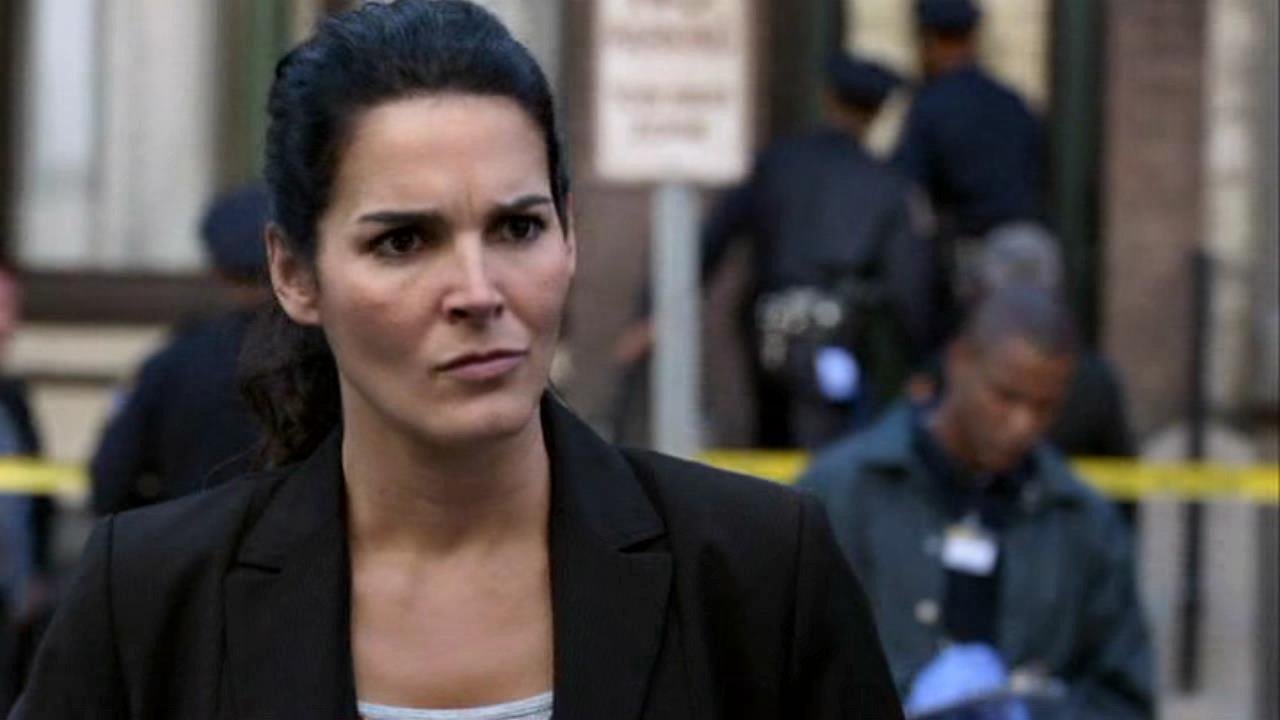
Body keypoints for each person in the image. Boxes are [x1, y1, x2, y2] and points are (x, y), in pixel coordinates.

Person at [11, 3, 902, 718]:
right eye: (403, 241)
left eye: (517, 227)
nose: (478, 291)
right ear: (295, 274)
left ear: (570, 235)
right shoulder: (153, 598)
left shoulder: (757, 571)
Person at [798, 286, 1153, 719]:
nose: (1022, 424)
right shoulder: (841, 495)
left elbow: (1126, 695)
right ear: (959, 362)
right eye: (1006, 397)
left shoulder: (1083, 523)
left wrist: (1034, 712)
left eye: (1045, 407)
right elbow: (776, 670)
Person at [618, 53, 935, 449]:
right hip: (840, 337)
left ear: (829, 98)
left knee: (772, 437)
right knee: (833, 438)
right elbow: (910, 285)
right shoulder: (887, 184)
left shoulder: (777, 163)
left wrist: (654, 311)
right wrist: (924, 364)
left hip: (767, 329)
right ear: (878, 113)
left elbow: (711, 239)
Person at [89, 184, 273, 515]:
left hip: (194, 539)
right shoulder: (334, 356)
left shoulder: (174, 363)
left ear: (217, 269)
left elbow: (111, 479)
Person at [894, 0, 1045, 328]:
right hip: (1033, 246)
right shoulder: (1012, 101)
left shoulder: (931, 105)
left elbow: (906, 188)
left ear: (930, 42)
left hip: (977, 252)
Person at [0, 260, 52, 713]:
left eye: (12, 308)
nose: (8, 325)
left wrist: (32, 578)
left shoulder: (13, 399)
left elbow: (35, 497)